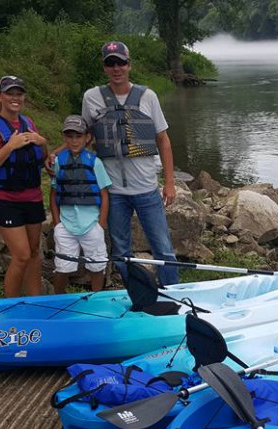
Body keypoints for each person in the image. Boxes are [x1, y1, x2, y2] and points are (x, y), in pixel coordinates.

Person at [81, 41, 180, 286]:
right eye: (110, 63)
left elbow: (163, 140)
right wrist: (57, 156)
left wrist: (169, 183)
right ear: (104, 68)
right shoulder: (92, 98)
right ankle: (137, 292)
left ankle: (173, 292)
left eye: (121, 63)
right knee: (122, 251)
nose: (116, 68)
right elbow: (84, 137)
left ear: (129, 65)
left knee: (163, 248)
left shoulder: (148, 97)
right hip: (113, 192)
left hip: (146, 188)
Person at [0, 75, 48, 297]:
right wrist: (10, 146)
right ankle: (10, 307)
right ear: (0, 96)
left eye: (19, 94)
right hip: (4, 198)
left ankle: (36, 303)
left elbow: (41, 159)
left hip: (32, 196)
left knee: (35, 252)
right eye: (10, 93)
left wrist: (43, 143)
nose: (15, 98)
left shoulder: (29, 123)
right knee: (22, 255)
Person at [50, 115, 112, 294]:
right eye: (70, 136)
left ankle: (96, 297)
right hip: (66, 224)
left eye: (78, 136)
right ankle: (59, 298)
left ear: (87, 138)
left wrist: (101, 224)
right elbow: (53, 194)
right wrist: (56, 223)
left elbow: (104, 195)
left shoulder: (95, 162)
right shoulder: (58, 162)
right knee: (63, 266)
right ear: (65, 139)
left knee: (97, 264)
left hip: (91, 223)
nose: (74, 141)